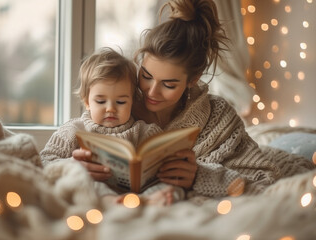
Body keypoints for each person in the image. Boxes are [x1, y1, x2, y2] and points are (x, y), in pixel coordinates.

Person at [72, 0, 315, 199]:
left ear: (193, 78)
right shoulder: (119, 99)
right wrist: (78, 168)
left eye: (169, 84)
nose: (151, 92)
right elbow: (65, 149)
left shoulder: (219, 118)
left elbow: (264, 183)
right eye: (146, 76)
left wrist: (200, 175)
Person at [40, 47, 184, 206]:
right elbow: (43, 161)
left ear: (132, 101)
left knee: (175, 189)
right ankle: (114, 203)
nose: (110, 109)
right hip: (95, 193)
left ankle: (145, 202)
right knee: (82, 182)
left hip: (139, 193)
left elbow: (166, 167)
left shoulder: (146, 131)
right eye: (101, 102)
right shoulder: (74, 129)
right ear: (87, 102)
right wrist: (71, 165)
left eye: (121, 102)